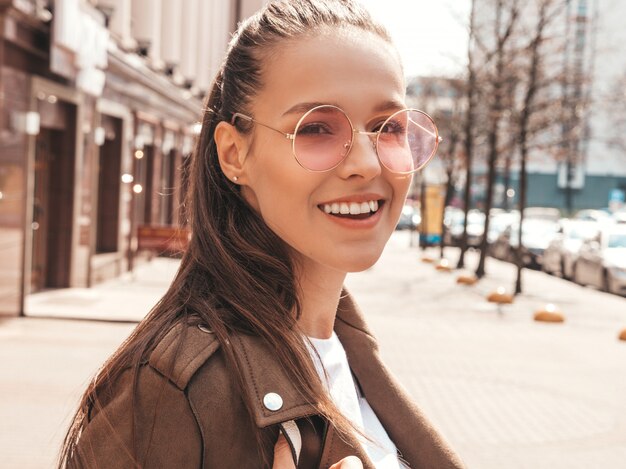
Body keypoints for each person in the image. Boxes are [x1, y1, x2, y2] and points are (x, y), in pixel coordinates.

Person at [59, 0, 464, 467]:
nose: (367, 164)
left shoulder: (348, 353)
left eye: (386, 127)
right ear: (234, 154)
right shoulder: (177, 387)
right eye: (315, 129)